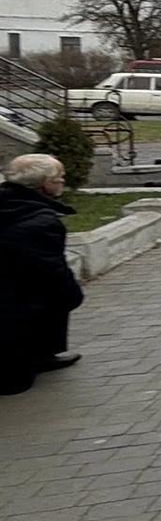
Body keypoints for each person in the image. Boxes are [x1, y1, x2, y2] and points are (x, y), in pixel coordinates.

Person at [0, 154, 86, 394]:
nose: (63, 182)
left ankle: (43, 355)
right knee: (55, 297)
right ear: (45, 184)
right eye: (60, 178)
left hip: (15, 286)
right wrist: (72, 295)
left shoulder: (11, 200)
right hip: (15, 297)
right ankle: (25, 365)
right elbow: (49, 268)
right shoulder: (40, 219)